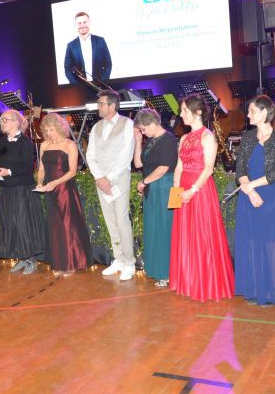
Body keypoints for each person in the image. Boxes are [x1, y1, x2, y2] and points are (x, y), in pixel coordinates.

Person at [169, 94, 234, 302]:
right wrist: (176, 191)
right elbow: (178, 167)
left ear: (197, 113)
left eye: (184, 110)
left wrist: (192, 190)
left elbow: (208, 169)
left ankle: (205, 283)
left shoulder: (208, 137)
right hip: (184, 188)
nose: (181, 115)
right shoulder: (183, 138)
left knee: (202, 235)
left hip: (200, 190)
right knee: (185, 235)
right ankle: (188, 281)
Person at [234, 95, 275, 306]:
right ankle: (254, 288)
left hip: (271, 198)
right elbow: (240, 170)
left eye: (252, 111)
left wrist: (251, 186)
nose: (248, 114)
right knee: (252, 242)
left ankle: (273, 291)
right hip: (250, 197)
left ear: (264, 112)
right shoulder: (248, 137)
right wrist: (250, 191)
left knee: (272, 244)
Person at [0, 110, 46, 275]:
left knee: (23, 224)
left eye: (5, 119)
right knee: (11, 224)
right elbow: (0, 162)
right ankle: (21, 258)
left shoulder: (25, 142)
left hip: (22, 188)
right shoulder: (1, 142)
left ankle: (31, 260)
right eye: (1, 120)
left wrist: (9, 172)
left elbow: (27, 167)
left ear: (16, 122)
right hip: (6, 189)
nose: (2, 122)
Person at [85, 90, 135, 280]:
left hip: (119, 178)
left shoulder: (127, 123)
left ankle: (129, 262)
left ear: (112, 106)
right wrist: (99, 177)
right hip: (101, 180)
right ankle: (118, 259)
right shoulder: (96, 126)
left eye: (101, 103)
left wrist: (109, 177)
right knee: (110, 220)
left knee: (121, 220)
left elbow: (126, 154)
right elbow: (90, 155)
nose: (98, 106)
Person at [37, 113, 92, 277]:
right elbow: (41, 169)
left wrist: (55, 182)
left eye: (52, 130)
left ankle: (71, 263)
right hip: (49, 190)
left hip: (65, 189)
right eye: (46, 130)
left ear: (60, 128)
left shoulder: (70, 145)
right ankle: (59, 263)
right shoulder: (44, 144)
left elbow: (73, 171)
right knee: (55, 227)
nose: (49, 133)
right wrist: (39, 183)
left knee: (68, 225)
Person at [133, 109, 178, 287]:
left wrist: (144, 181)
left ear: (153, 123)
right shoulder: (150, 140)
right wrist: (138, 141)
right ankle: (157, 269)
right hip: (152, 187)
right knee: (153, 229)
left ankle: (167, 273)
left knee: (164, 230)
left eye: (144, 129)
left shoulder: (168, 139)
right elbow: (138, 163)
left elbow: (164, 168)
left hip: (164, 186)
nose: (143, 132)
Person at [64, 12, 112, 84]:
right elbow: (67, 69)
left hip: (100, 86)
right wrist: (76, 85)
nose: (82, 25)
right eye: (79, 23)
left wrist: (102, 82)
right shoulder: (70, 46)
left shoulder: (100, 41)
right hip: (80, 87)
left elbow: (108, 64)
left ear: (89, 22)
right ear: (76, 25)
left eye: (84, 22)